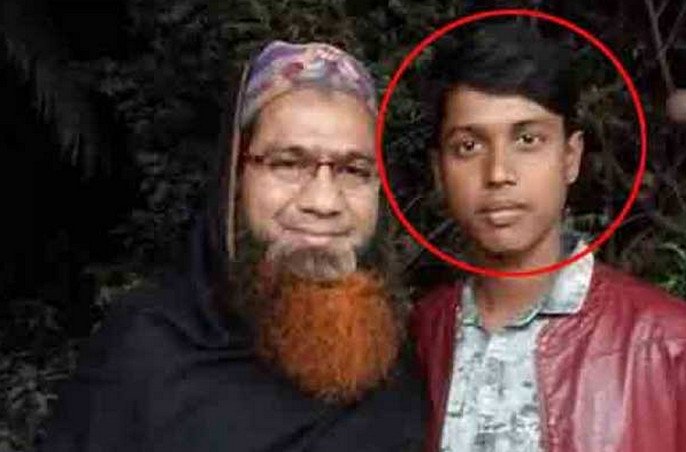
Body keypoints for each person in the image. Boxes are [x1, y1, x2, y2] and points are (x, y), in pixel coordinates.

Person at [40, 41, 424, 452]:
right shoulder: (145, 353)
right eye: (288, 164)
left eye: (354, 170)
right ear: (234, 180)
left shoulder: (393, 352)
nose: (324, 201)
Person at [409, 20, 686, 452]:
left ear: (570, 158)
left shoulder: (674, 344)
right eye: (469, 146)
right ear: (439, 171)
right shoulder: (420, 337)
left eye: (528, 139)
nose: (498, 173)